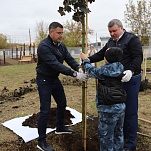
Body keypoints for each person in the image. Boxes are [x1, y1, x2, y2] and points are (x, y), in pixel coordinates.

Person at [87, 19, 143, 151]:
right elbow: (102, 54)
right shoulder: (111, 42)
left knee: (130, 111)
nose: (112, 34)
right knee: (120, 110)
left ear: (121, 28)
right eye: (110, 31)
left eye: (114, 31)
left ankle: (130, 145)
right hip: (117, 82)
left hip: (131, 79)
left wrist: (131, 70)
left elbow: (137, 57)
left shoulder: (132, 40)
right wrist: (88, 60)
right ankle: (120, 139)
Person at [36, 21, 88, 151]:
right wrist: (74, 74)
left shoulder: (61, 45)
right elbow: (55, 64)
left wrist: (78, 68)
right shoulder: (44, 47)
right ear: (51, 32)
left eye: (62, 33)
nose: (61, 35)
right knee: (45, 110)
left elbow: (69, 58)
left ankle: (59, 127)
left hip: (54, 79)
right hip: (44, 80)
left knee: (62, 102)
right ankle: (41, 141)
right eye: (58, 33)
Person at [81, 47, 127, 151]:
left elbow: (90, 69)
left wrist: (85, 59)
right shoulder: (120, 67)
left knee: (106, 135)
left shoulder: (104, 71)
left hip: (108, 107)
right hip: (120, 105)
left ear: (106, 58)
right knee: (118, 132)